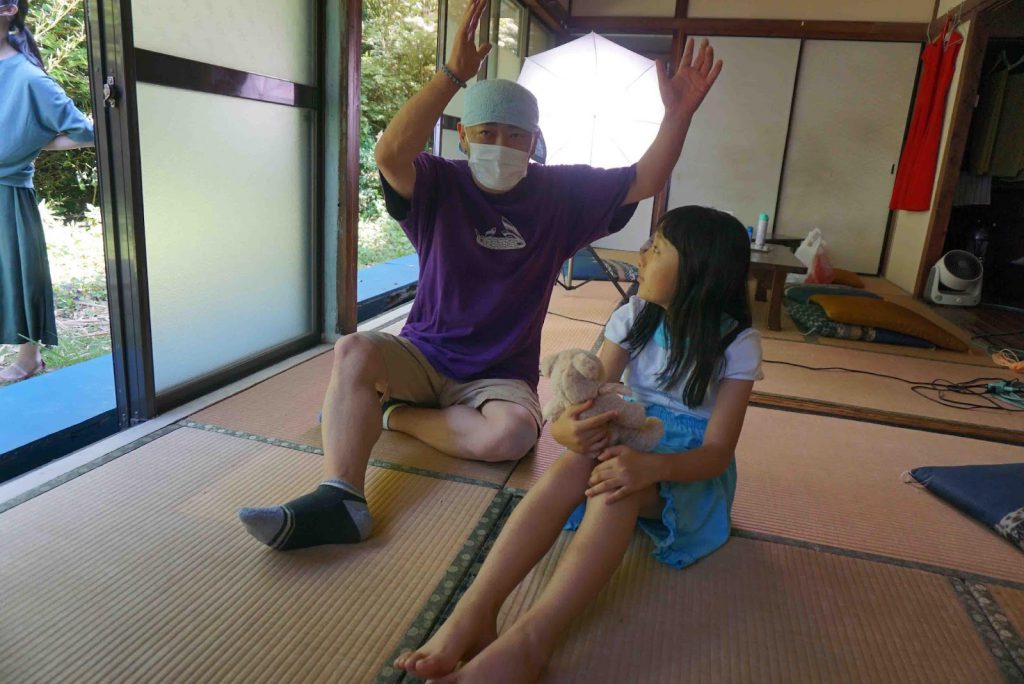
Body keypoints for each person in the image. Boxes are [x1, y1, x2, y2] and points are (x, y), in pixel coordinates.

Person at [238, 0, 722, 551]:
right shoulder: (438, 182)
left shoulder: (558, 192)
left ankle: (391, 414)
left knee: (513, 436)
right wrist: (452, 76)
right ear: (463, 137)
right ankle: (342, 495)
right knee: (353, 349)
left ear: (535, 141)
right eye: (487, 132)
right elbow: (389, 152)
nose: (503, 145)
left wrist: (678, 115)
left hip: (500, 372)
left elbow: (644, 177)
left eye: (516, 135)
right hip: (424, 355)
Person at [394, 205, 763, 682]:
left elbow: (715, 454)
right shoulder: (635, 316)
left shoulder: (737, 344)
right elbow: (590, 393)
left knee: (614, 488)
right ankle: (473, 612)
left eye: (657, 248)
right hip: (627, 432)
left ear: (700, 268)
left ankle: (532, 642)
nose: (641, 255)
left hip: (684, 473)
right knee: (572, 468)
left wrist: (650, 469)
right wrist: (567, 428)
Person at [0, 0, 95, 382]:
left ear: (7, 9)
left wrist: (34, 141)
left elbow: (86, 131)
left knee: (20, 275)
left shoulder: (29, 79)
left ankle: (29, 358)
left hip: (6, 193)